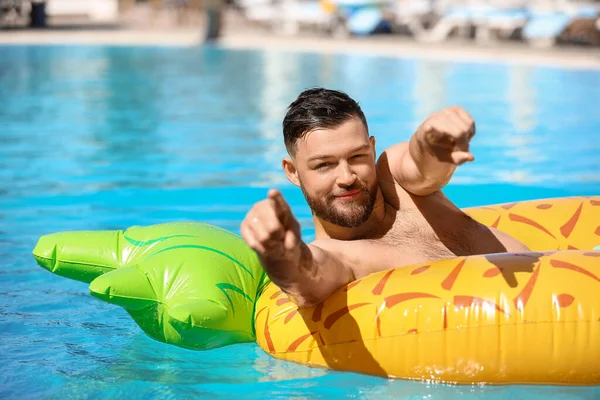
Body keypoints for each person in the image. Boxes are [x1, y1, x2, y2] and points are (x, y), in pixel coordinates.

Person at [240, 88, 529, 308]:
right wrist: (281, 256)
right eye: (324, 165)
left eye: (357, 157)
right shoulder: (337, 255)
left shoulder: (398, 182)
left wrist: (432, 144)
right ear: (292, 171)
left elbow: (422, 167)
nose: (346, 177)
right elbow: (308, 276)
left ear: (372, 148)